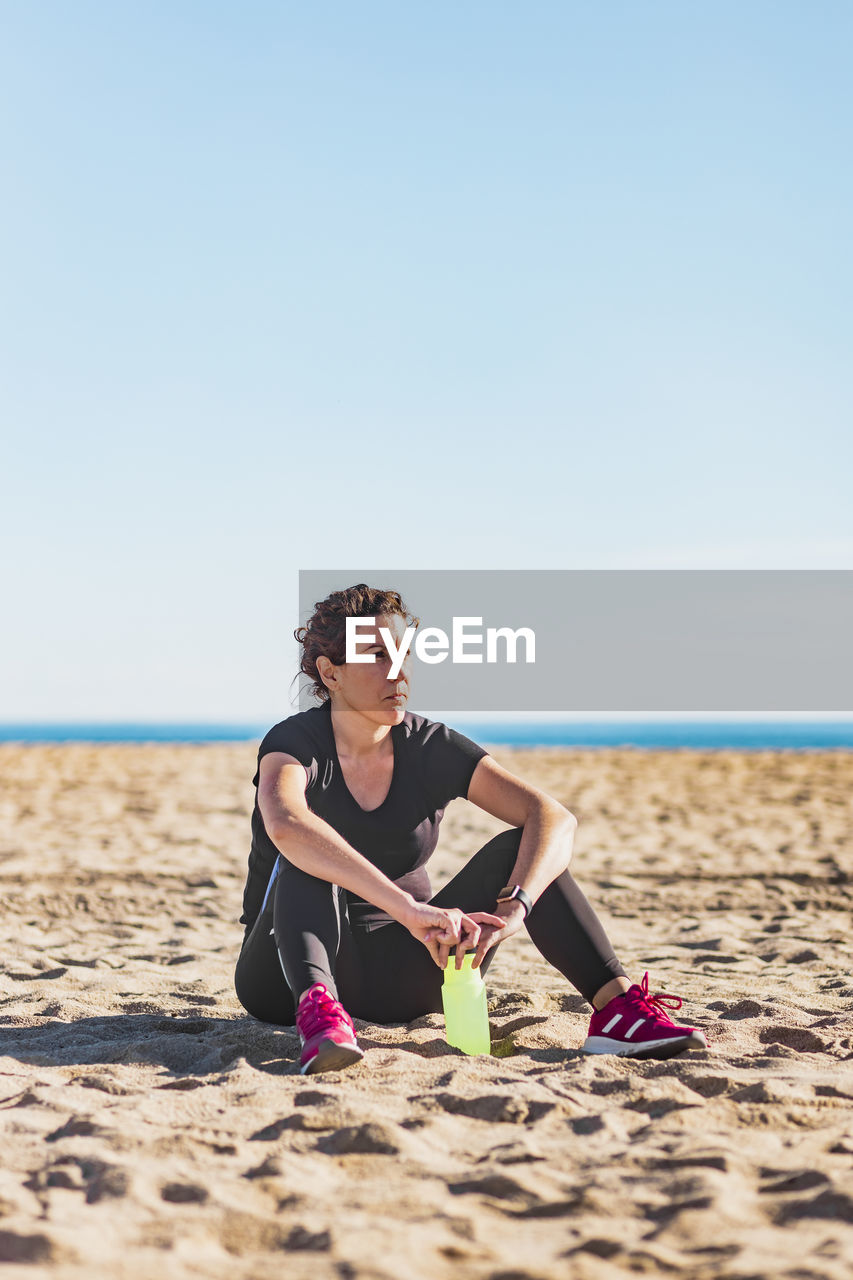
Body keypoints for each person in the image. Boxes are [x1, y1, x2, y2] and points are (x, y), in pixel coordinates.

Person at [234, 584, 706, 1075]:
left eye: (404, 653)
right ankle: (322, 1017)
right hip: (283, 976)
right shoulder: (295, 743)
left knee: (522, 850)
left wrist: (516, 908)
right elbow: (287, 823)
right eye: (376, 654)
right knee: (308, 851)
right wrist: (410, 909)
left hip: (406, 972)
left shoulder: (429, 745)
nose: (397, 671)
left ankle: (619, 1012)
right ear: (330, 673)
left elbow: (553, 817)